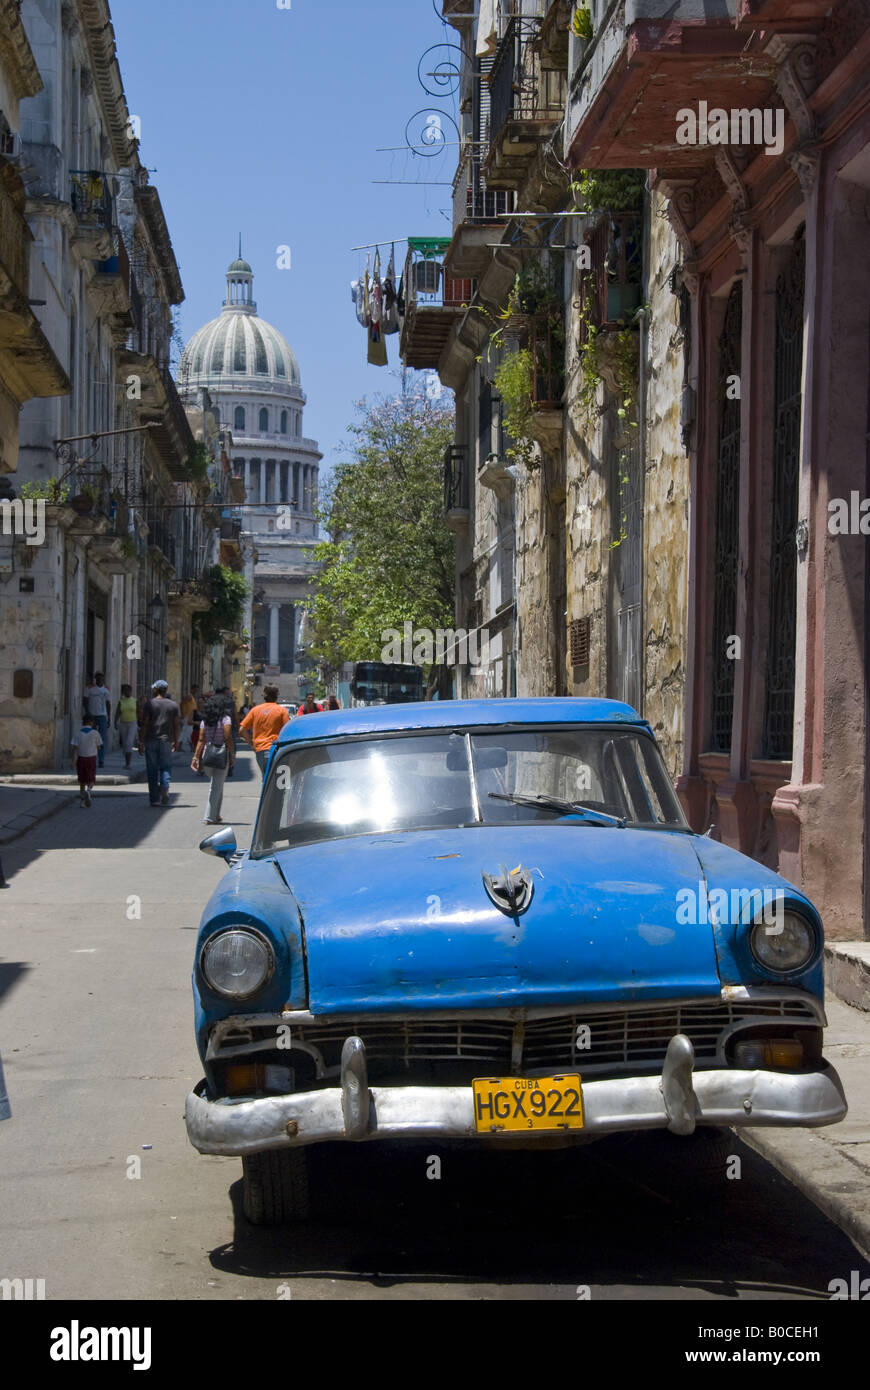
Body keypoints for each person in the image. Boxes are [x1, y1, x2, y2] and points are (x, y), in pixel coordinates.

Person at [191, 694, 235, 824]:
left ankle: (216, 814)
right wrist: (232, 754)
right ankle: (209, 817)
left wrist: (196, 757)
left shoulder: (205, 721)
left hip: (207, 754)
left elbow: (200, 740)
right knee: (215, 786)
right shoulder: (226, 719)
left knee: (217, 784)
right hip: (221, 754)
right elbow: (227, 737)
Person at [138, 679, 181, 807]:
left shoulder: (149, 704)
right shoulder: (173, 705)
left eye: (154, 689)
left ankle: (154, 799)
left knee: (152, 769)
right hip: (166, 740)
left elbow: (145, 723)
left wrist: (141, 741)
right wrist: (176, 741)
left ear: (156, 690)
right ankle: (165, 786)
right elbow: (176, 725)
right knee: (166, 766)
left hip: (151, 739)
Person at [239, 685, 290, 776]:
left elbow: (242, 730)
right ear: (277, 696)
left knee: (266, 780)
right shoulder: (282, 711)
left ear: (264, 696)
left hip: (260, 750)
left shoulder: (255, 710)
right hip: (276, 749)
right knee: (279, 782)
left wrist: (251, 744)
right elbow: (288, 729)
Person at [70, 712, 102, 808]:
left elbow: (75, 749)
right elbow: (99, 747)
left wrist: (73, 761)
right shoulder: (95, 733)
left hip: (81, 758)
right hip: (91, 759)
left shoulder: (78, 733)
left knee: (82, 780)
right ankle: (88, 791)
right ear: (91, 723)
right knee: (91, 778)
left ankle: (83, 799)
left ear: (83, 722)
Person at [84, 672, 111, 767]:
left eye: (101, 678)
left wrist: (109, 717)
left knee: (102, 738)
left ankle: (101, 760)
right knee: (91, 738)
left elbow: (108, 704)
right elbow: (85, 701)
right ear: (95, 679)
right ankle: (91, 758)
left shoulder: (106, 690)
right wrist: (88, 712)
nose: (100, 680)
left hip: (102, 716)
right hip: (92, 716)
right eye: (98, 678)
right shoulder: (89, 688)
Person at [114, 683, 138, 769]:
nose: (126, 692)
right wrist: (115, 722)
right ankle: (126, 762)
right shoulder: (121, 702)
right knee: (125, 744)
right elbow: (118, 713)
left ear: (131, 691)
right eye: (125, 691)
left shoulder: (134, 701)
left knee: (129, 742)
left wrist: (141, 723)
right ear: (123, 692)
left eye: (128, 690)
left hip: (132, 723)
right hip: (123, 724)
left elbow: (138, 712)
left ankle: (129, 763)